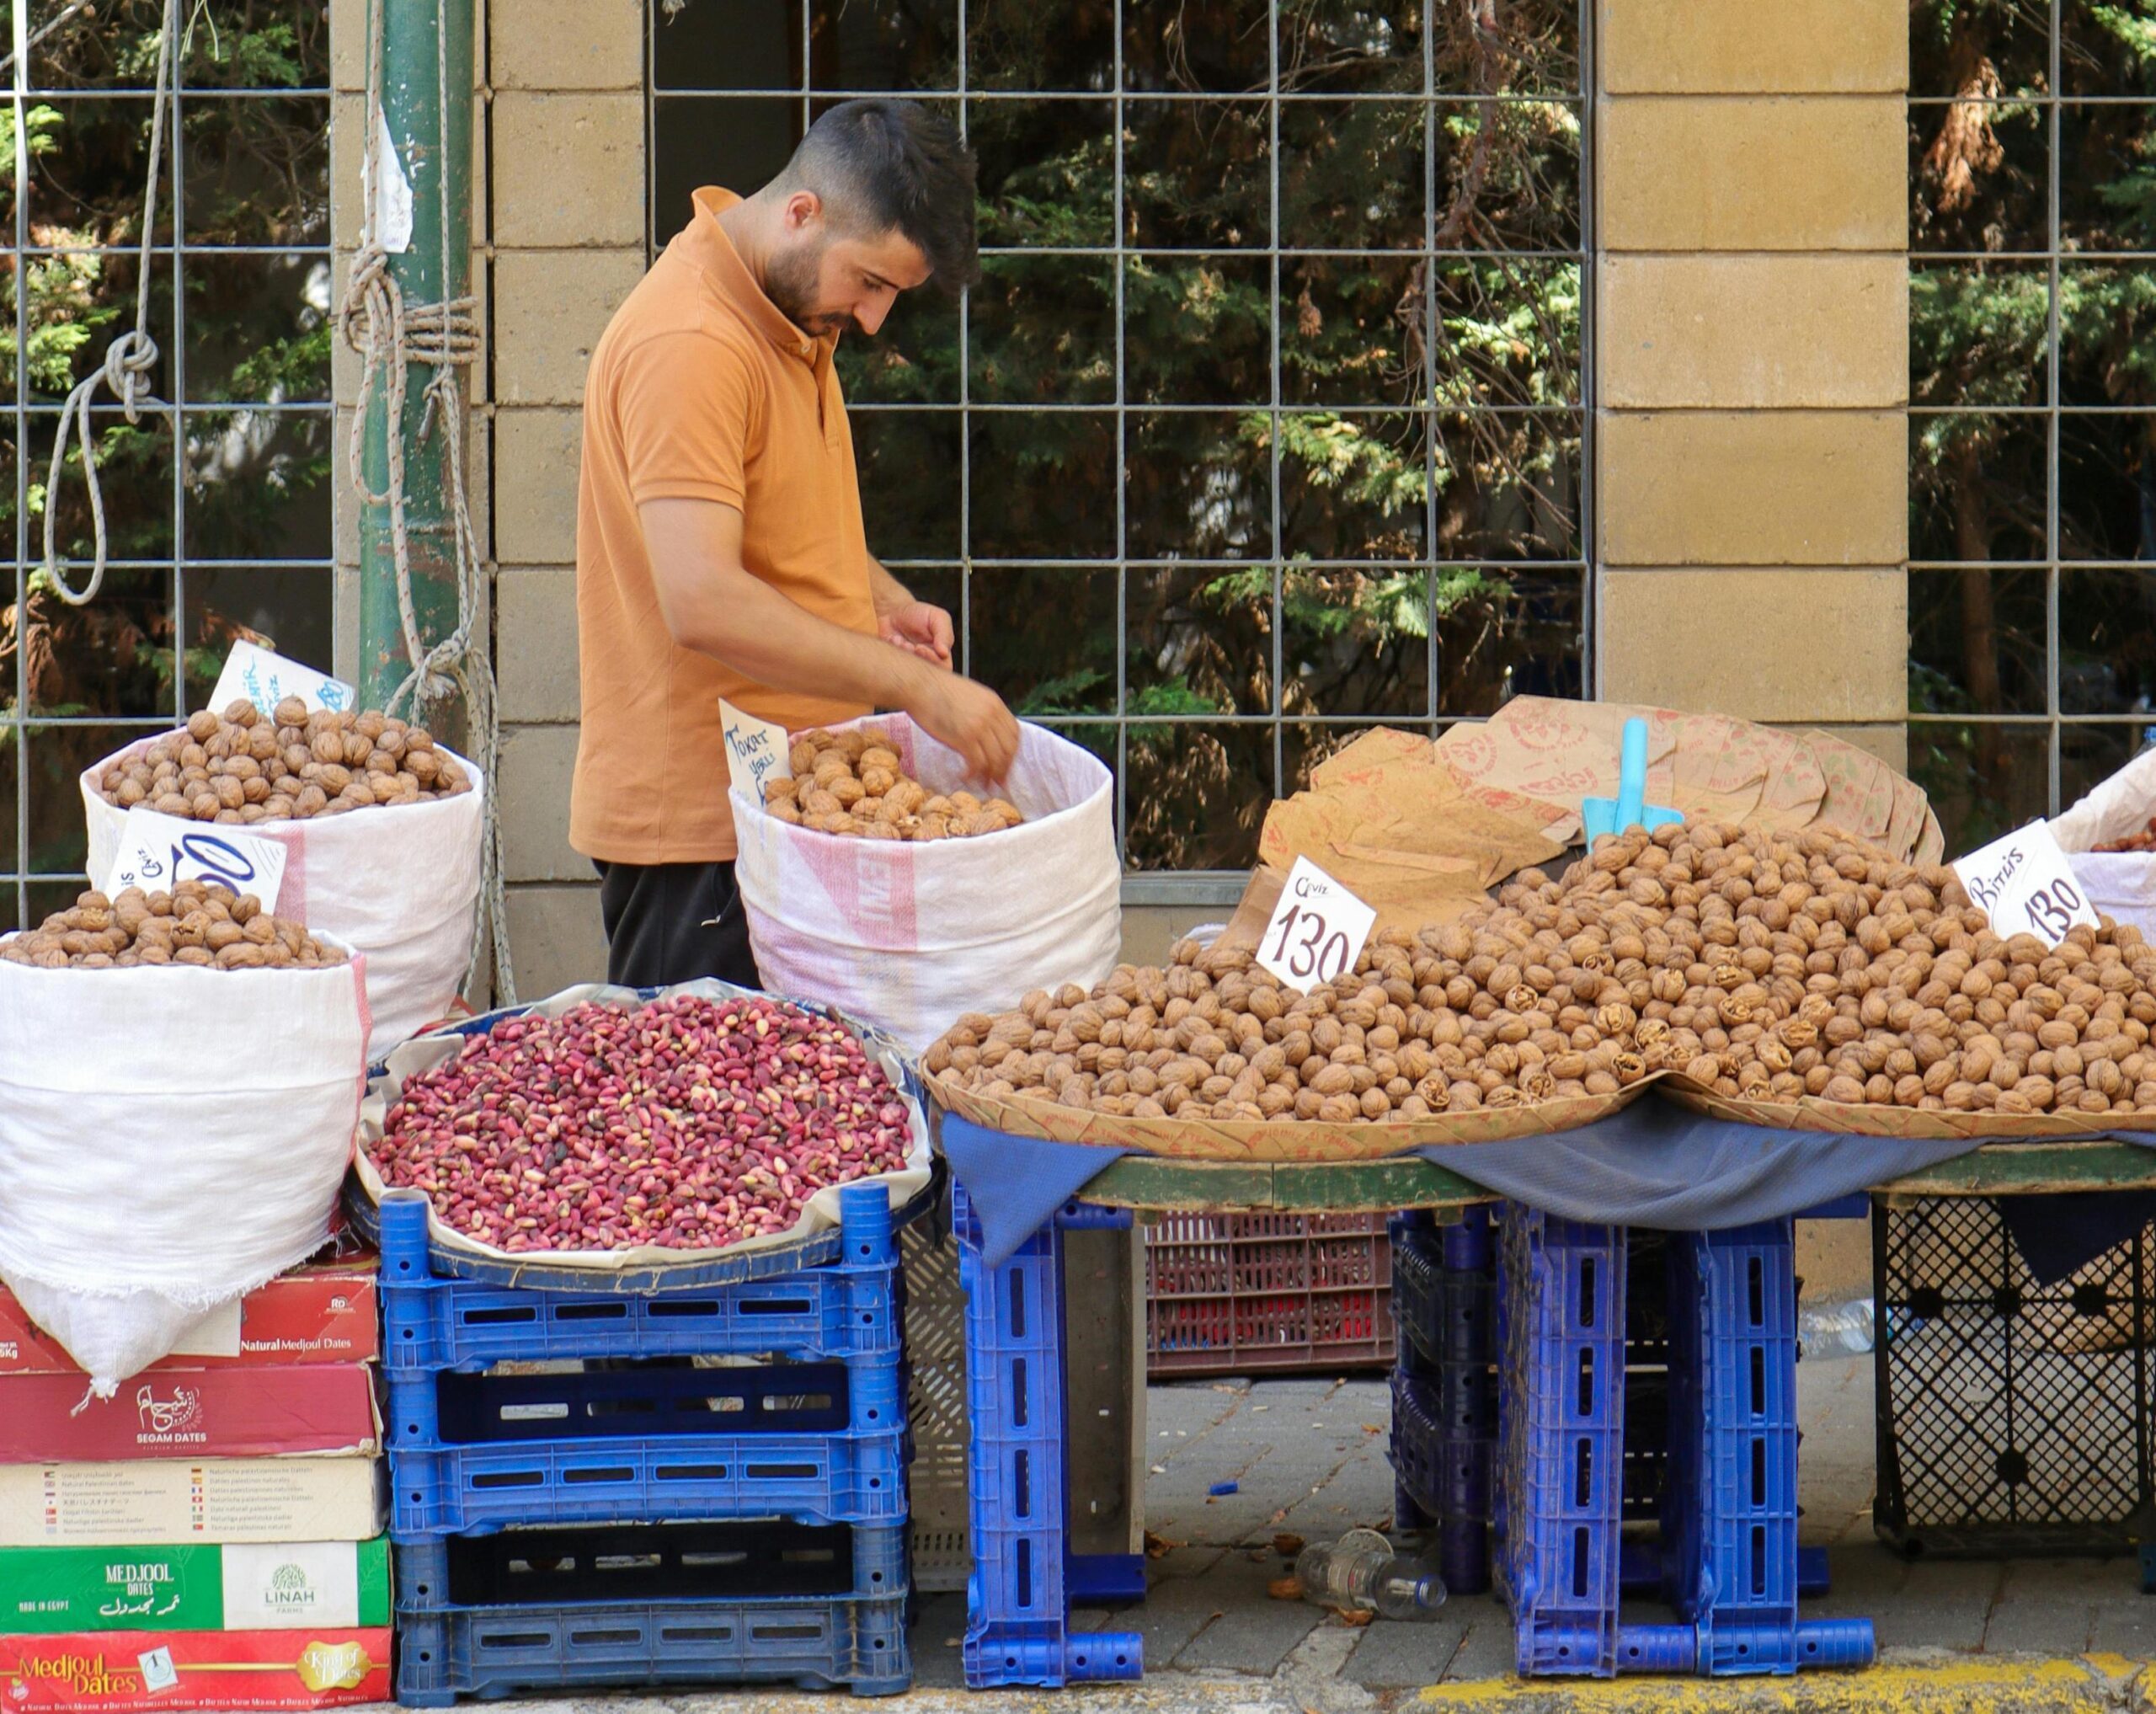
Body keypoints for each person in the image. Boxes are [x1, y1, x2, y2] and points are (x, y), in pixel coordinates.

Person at [569, 99, 1021, 991]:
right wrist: (921, 689)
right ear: (802, 213)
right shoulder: (692, 342)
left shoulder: (784, 311)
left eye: (891, 293)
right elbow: (701, 598)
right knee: (696, 1127)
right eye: (870, 283)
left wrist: (882, 603)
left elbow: (768, 523)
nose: (874, 319)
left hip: (783, 812)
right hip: (699, 841)